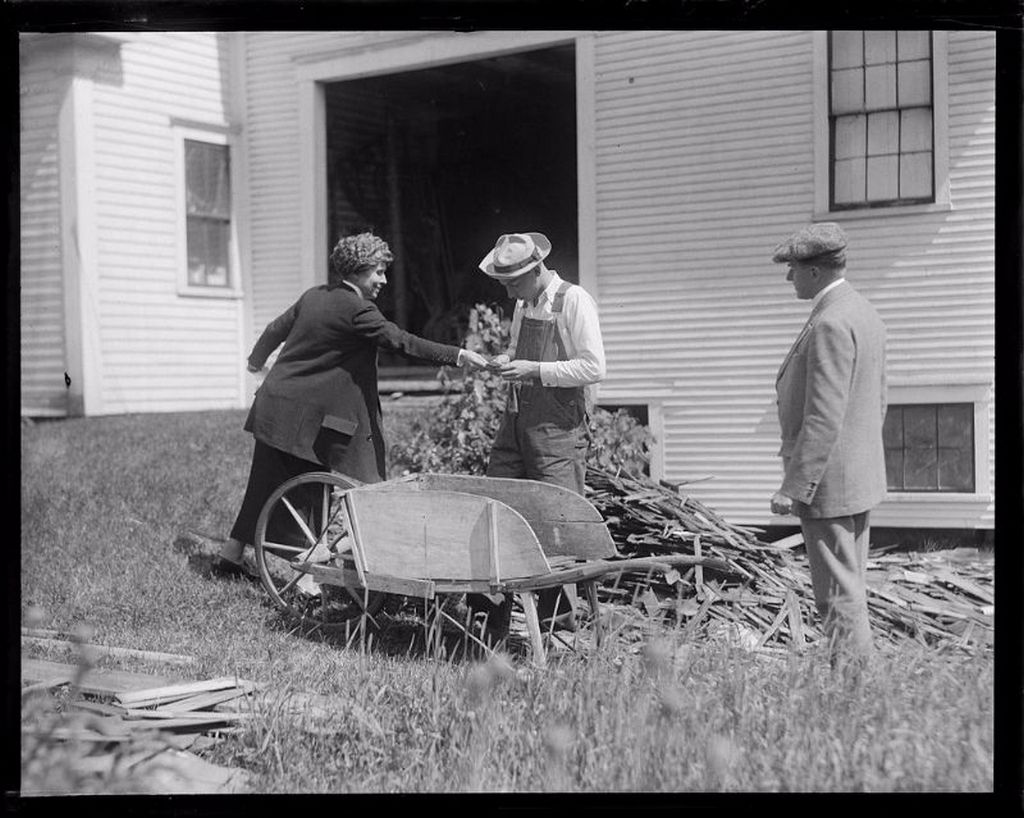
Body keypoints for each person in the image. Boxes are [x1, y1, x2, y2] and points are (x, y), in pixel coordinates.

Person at [214, 232, 488, 577]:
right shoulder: (359, 310)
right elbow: (401, 342)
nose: (383, 281)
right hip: (311, 416)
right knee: (362, 486)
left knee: (265, 483)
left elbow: (273, 330)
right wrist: (458, 355)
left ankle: (231, 556)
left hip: (276, 407)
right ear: (358, 271)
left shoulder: (313, 296)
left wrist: (255, 363)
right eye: (378, 272)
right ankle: (318, 570)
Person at [469, 231, 606, 640]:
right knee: (495, 512)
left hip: (558, 434)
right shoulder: (523, 303)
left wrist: (535, 370)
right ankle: (487, 624)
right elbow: (516, 348)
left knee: (557, 526)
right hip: (516, 423)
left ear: (537, 269)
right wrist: (506, 360)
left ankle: (555, 630)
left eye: (513, 282)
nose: (509, 290)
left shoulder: (573, 300)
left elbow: (594, 367)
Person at [769, 222, 887, 665]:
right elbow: (878, 403)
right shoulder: (863, 312)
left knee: (836, 596)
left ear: (815, 272)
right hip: (854, 477)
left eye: (793, 269)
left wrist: (794, 486)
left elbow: (823, 415)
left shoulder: (830, 323)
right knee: (850, 588)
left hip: (829, 486)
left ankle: (854, 693)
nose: (789, 278)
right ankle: (860, 683)